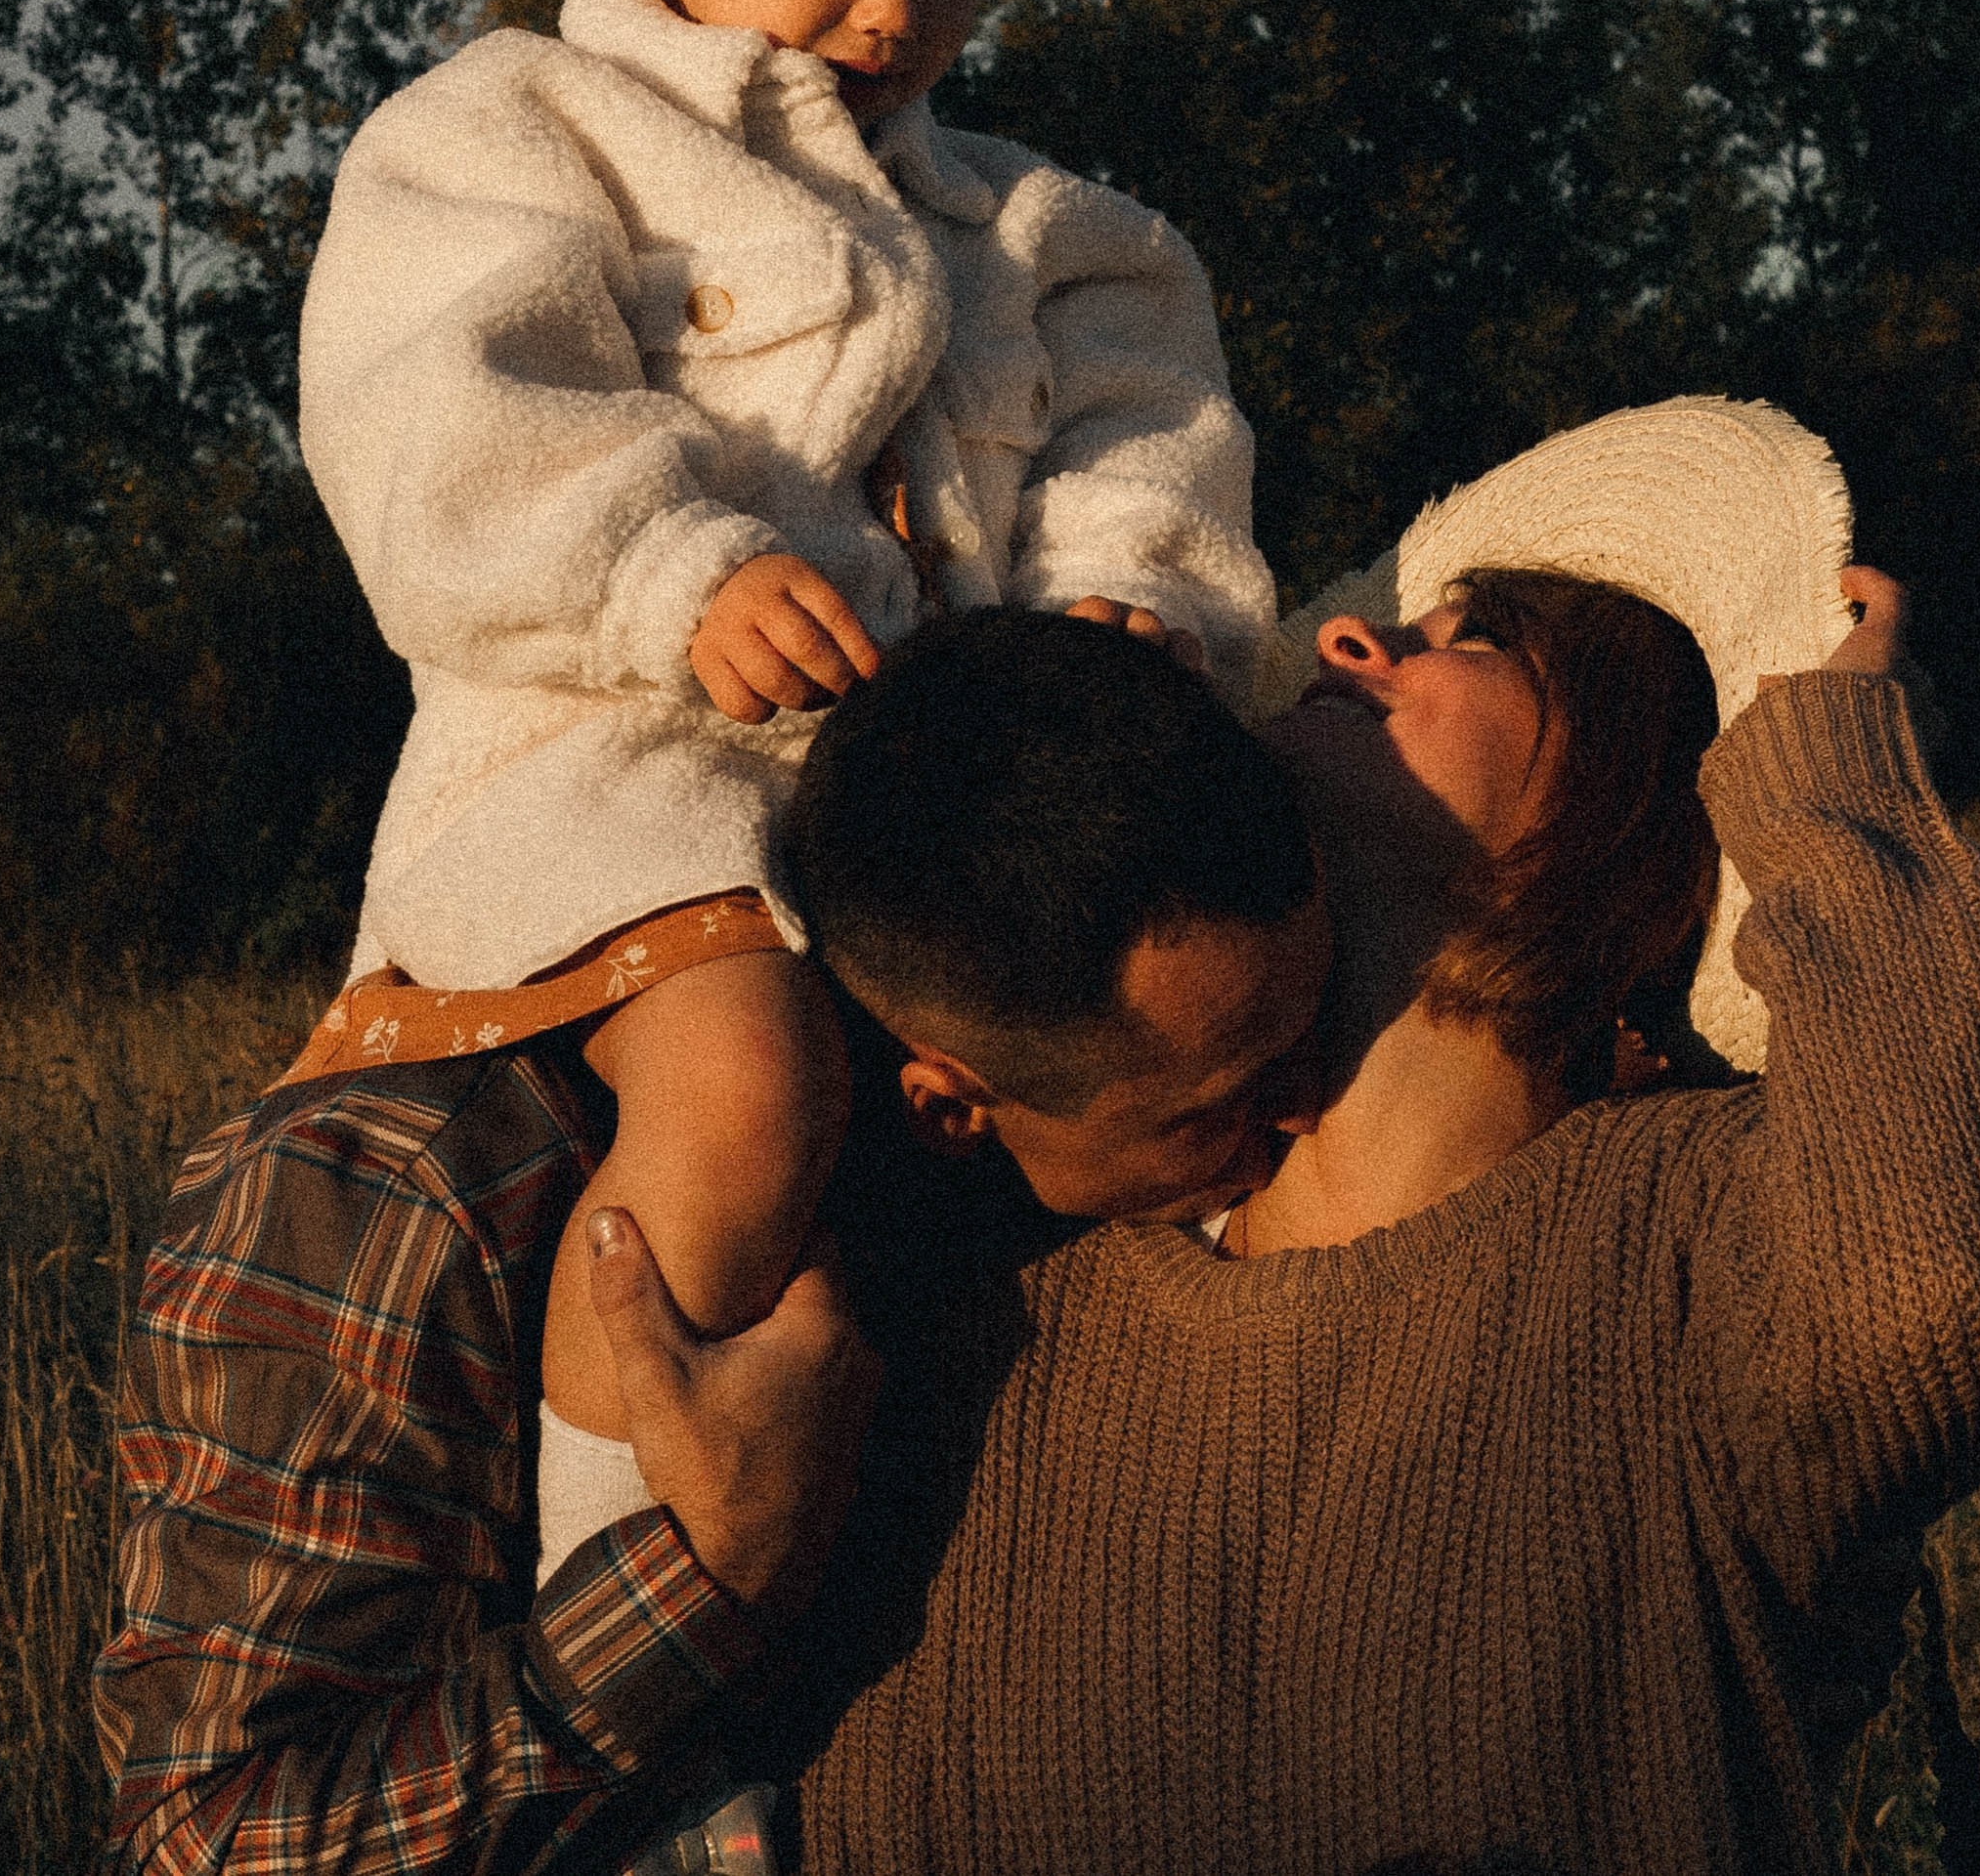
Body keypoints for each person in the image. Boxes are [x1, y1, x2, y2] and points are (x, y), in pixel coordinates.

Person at [290, 0, 1275, 1582]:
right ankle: (628, 1610)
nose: (893, 9)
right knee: (743, 1087)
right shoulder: (517, 132)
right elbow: (437, 416)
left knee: (1171, 1056)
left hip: (935, 832)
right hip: (610, 777)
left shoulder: (1024, 231)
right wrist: (668, 561)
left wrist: (1130, 604)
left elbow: (1148, 425)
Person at [756, 419, 1980, 1873]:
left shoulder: (1694, 1244)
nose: (1347, 639)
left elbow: (1948, 1284)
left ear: (1635, 787)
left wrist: (1838, 776)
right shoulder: (1013, 1292)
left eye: (1470, 640)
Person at [97, 616, 1326, 1874]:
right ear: (947, 1102)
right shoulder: (398, 1193)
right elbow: (210, 1847)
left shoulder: (999, 1166)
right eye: (1223, 1096)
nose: (1307, 1104)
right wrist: (714, 1565)